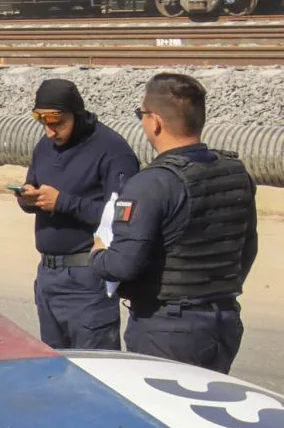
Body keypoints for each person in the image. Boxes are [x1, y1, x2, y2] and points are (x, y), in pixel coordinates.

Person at [92, 73, 258, 372]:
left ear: (154, 121)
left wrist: (98, 255)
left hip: (167, 329)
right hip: (224, 321)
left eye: (141, 115)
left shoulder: (151, 184)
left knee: (159, 413)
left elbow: (122, 266)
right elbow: (247, 248)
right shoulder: (235, 172)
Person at [17, 79, 140, 350]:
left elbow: (124, 215)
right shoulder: (45, 146)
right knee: (56, 369)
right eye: (44, 124)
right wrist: (27, 198)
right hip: (48, 277)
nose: (50, 132)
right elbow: (35, 187)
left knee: (97, 372)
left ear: (76, 114)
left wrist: (64, 203)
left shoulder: (112, 150)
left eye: (57, 123)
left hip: (87, 279)